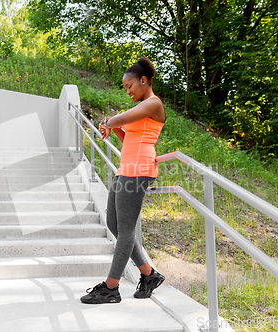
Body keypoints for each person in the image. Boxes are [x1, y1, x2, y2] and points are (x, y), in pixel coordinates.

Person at [80, 57, 166, 304]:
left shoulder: (153, 104)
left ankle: (110, 287)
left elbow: (123, 118)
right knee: (114, 224)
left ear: (143, 80)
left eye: (130, 86)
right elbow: (127, 135)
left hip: (139, 169)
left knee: (126, 229)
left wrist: (109, 121)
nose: (127, 91)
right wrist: (112, 127)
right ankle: (149, 275)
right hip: (125, 168)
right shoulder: (141, 109)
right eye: (125, 88)